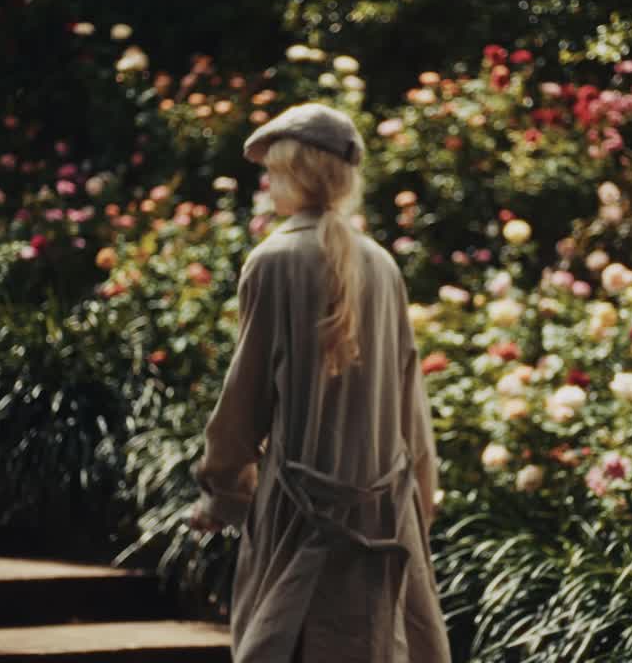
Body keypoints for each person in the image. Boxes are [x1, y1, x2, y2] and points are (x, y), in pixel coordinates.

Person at [185, 102, 452, 663]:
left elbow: (246, 396)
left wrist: (222, 488)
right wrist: (419, 502)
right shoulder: (382, 265)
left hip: (297, 519)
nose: (266, 181)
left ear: (295, 173)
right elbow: (411, 404)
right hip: (382, 516)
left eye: (273, 169)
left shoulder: (274, 261)